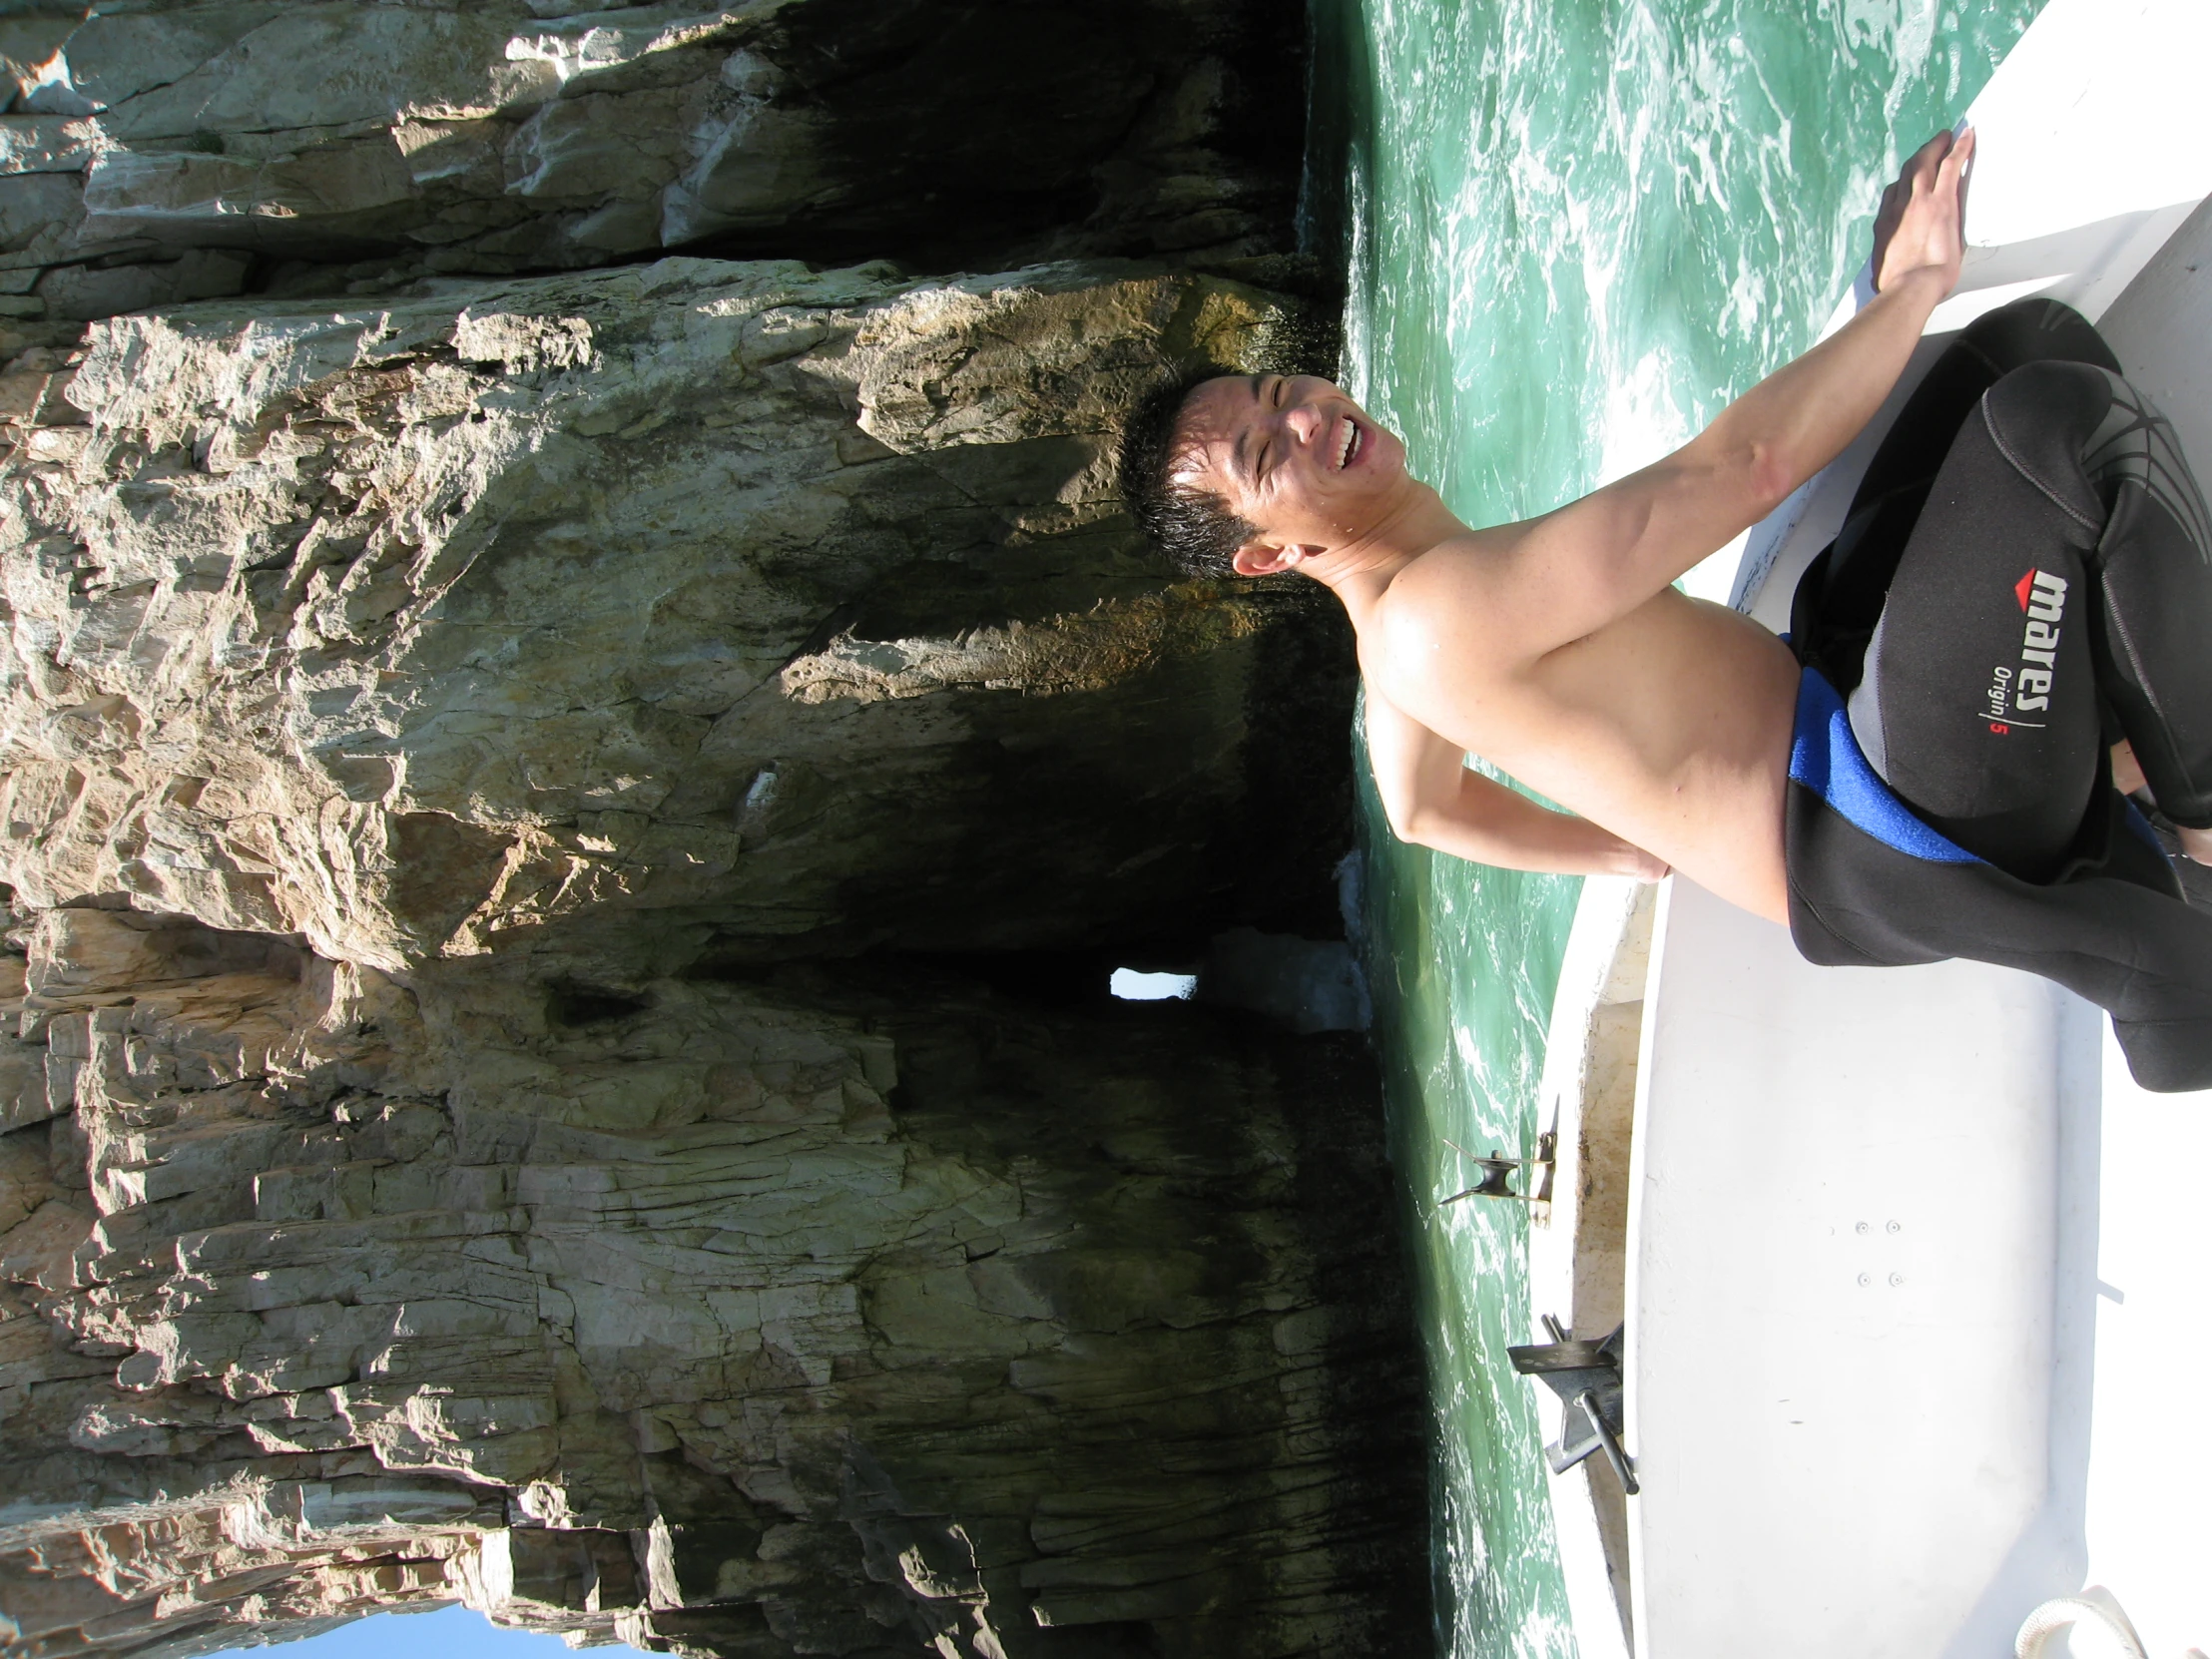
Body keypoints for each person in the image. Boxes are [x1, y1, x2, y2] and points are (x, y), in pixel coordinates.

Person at [1118, 130, 2212, 1091]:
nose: (1305, 416)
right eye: (1266, 454)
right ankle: (2197, 824)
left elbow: (1419, 812)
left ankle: (2100, 761)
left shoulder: (1393, 640)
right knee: (2058, 427)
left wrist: (1623, 849)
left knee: (2018, 350)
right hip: (1882, 816)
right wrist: (1908, 292)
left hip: (1830, 707)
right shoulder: (1435, 617)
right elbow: (1741, 469)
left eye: (1275, 393)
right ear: (1267, 554)